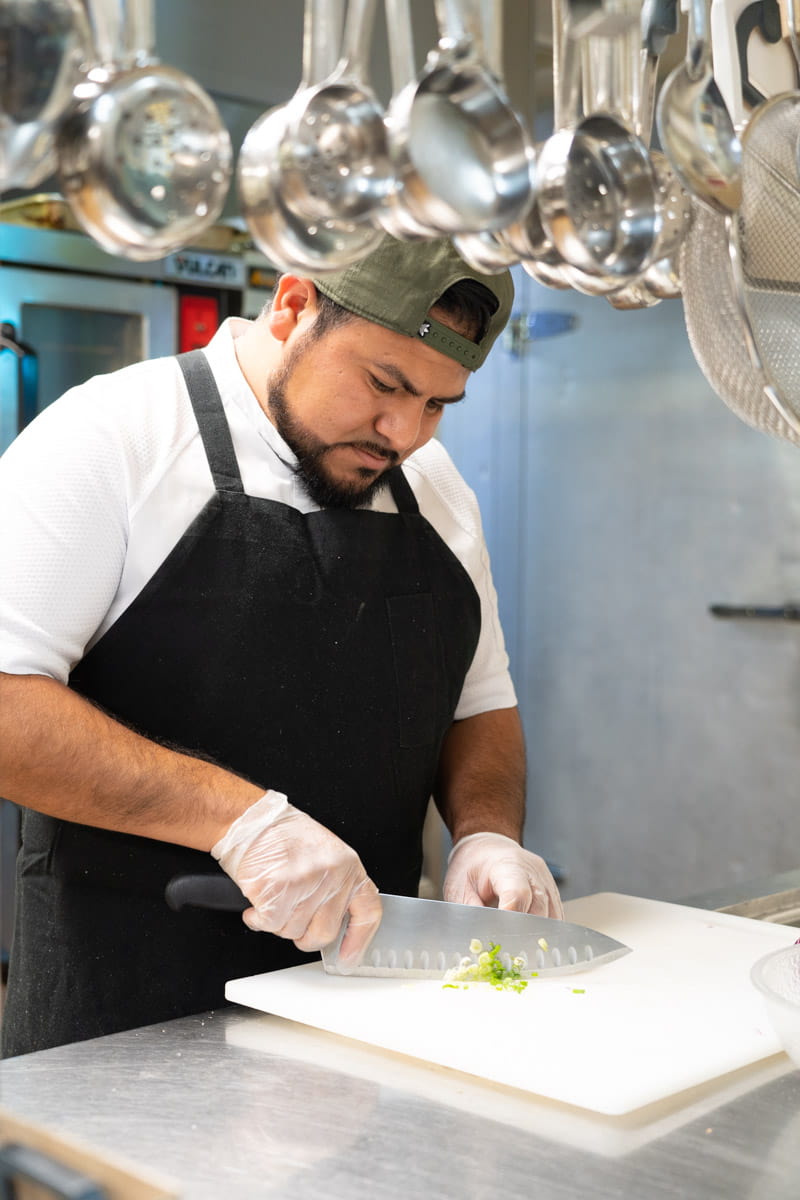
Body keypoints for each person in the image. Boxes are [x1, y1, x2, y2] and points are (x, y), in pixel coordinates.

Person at [0, 235, 563, 1058]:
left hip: (362, 1014)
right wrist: (243, 824)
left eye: (439, 404)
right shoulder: (113, 438)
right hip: (121, 1023)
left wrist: (486, 835)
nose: (403, 431)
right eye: (383, 383)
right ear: (293, 307)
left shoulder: (435, 490)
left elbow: (479, 703)